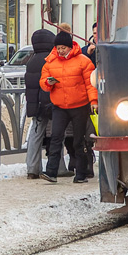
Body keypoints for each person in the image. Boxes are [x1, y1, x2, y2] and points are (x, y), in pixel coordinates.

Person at [41, 29, 97, 184]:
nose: (60, 51)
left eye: (63, 48)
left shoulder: (83, 61)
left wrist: (93, 101)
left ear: (70, 47)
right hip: (59, 106)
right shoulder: (50, 62)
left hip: (80, 106)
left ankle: (81, 174)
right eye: (58, 48)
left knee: (79, 141)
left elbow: (91, 84)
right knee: (56, 138)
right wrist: (48, 83)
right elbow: (43, 82)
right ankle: (51, 172)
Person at [23, 28, 56, 179]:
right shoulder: (51, 61)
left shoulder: (31, 61)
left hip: (36, 104)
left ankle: (32, 168)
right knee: (56, 135)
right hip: (51, 102)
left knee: (35, 135)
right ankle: (58, 167)